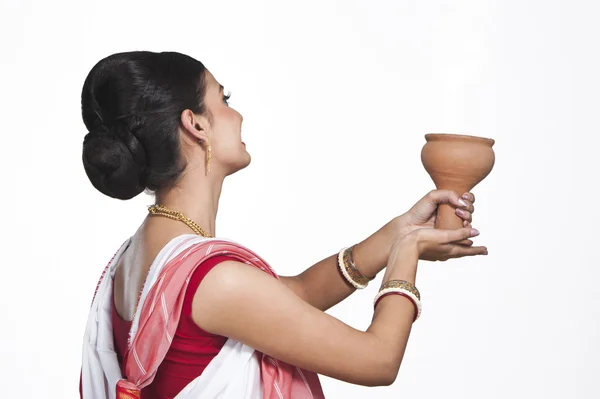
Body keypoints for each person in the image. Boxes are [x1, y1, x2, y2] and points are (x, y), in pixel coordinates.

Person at [78, 51, 488, 399]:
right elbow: (378, 360)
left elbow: (295, 296)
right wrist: (407, 254)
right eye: (224, 99)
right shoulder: (212, 279)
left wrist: (399, 231)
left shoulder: (135, 256)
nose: (237, 114)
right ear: (196, 124)